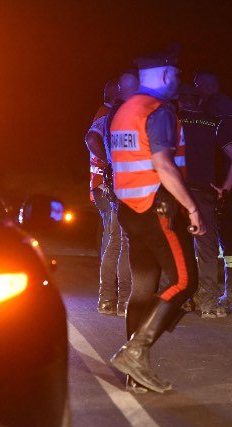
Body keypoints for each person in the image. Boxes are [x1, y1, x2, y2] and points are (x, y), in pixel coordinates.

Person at [109, 49, 205, 394]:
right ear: (165, 76)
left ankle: (136, 375)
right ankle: (135, 353)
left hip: (130, 210)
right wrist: (192, 208)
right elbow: (164, 165)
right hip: (157, 209)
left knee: (144, 290)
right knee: (184, 281)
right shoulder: (158, 110)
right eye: (176, 76)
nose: (179, 82)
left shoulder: (123, 112)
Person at [194, 71, 232, 312]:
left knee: (207, 237)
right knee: (228, 235)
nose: (197, 93)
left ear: (207, 86)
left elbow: (229, 152)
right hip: (229, 181)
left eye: (198, 87)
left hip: (216, 181)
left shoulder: (211, 112)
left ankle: (212, 291)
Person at [176, 83, 225, 318]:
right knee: (206, 247)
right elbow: (224, 154)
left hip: (179, 189)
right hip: (204, 189)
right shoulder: (211, 121)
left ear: (181, 100)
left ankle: (183, 300)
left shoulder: (174, 119)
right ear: (197, 100)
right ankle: (208, 304)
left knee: (181, 247)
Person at [85, 80, 132, 316]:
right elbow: (91, 139)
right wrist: (108, 165)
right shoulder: (120, 116)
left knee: (113, 240)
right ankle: (123, 300)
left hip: (112, 186)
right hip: (123, 187)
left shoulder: (107, 116)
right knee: (122, 241)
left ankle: (107, 300)